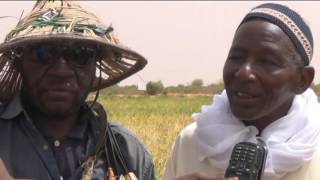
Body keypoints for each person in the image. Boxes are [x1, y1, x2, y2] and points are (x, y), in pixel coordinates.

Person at [0, 1, 155, 180]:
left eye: (80, 53)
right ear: (20, 62)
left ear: (95, 64)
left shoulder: (128, 151)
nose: (61, 71)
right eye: (43, 52)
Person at [164, 3, 320, 180]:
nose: (244, 72)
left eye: (267, 62)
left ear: (302, 80)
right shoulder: (191, 141)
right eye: (236, 57)